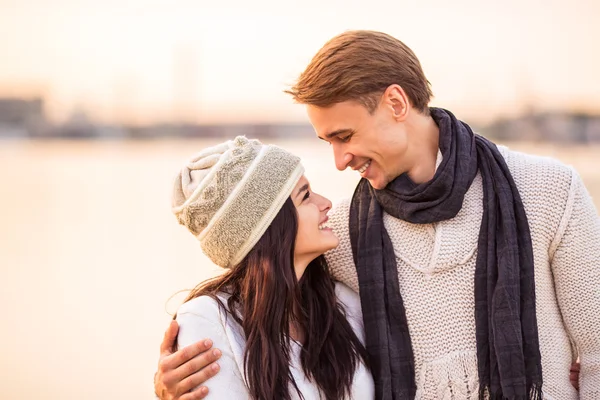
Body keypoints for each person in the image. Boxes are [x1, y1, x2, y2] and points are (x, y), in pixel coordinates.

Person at [155, 31, 598, 399]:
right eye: (327, 141)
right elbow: (257, 284)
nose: (339, 161)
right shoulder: (344, 231)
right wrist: (171, 385)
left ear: (396, 103)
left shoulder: (547, 190)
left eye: (344, 135)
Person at [161, 136, 373, 400]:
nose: (325, 203)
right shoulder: (207, 319)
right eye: (305, 196)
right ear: (269, 226)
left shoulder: (343, 302)